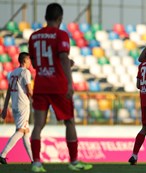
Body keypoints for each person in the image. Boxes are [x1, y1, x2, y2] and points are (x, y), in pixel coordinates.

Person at [28, 3, 92, 172]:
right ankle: (73, 161)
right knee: (69, 121)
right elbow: (63, 58)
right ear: (60, 18)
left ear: (45, 17)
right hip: (58, 86)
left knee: (38, 125)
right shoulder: (61, 35)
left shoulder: (34, 37)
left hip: (41, 85)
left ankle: (36, 163)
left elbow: (34, 63)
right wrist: (70, 82)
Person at [0, 52, 33, 164]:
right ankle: (2, 155)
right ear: (25, 60)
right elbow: (29, 90)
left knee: (26, 133)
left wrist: (5, 108)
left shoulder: (12, 73)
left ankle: (34, 160)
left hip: (15, 104)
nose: (30, 62)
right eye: (29, 60)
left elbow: (8, 92)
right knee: (21, 131)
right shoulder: (25, 72)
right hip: (23, 105)